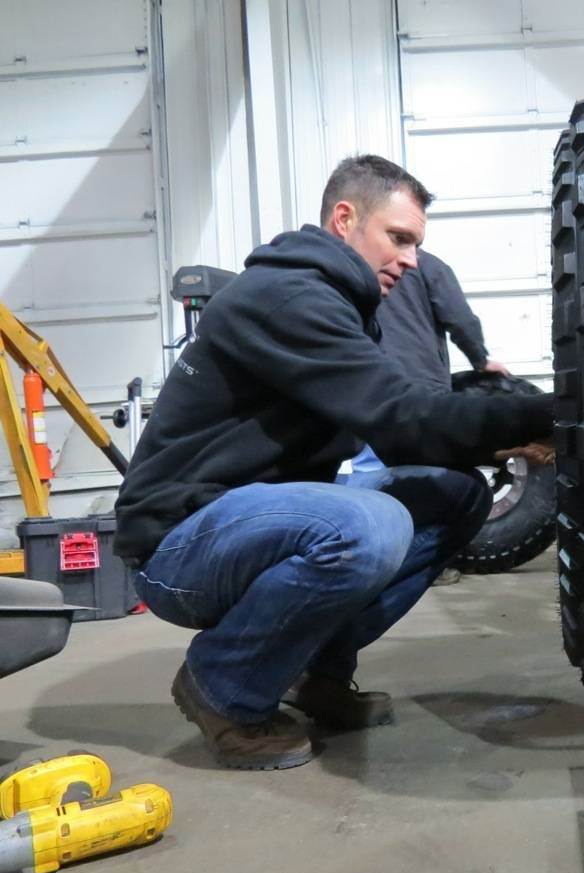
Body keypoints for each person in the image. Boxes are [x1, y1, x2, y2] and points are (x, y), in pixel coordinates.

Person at [114, 155, 554, 771]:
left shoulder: (339, 305)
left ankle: (312, 673)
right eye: (398, 238)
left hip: (246, 527)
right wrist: (555, 411)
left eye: (416, 244)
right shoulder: (286, 297)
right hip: (178, 548)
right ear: (345, 219)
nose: (411, 260)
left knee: (455, 494)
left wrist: (511, 431)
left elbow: (402, 432)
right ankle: (222, 685)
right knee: (368, 527)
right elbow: (401, 416)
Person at [343, 248, 512, 585]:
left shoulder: (358, 263)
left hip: (369, 386)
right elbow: (458, 317)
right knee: (428, 479)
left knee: (371, 475)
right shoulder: (428, 265)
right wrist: (480, 359)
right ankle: (427, 562)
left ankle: (368, 562)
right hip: (420, 390)